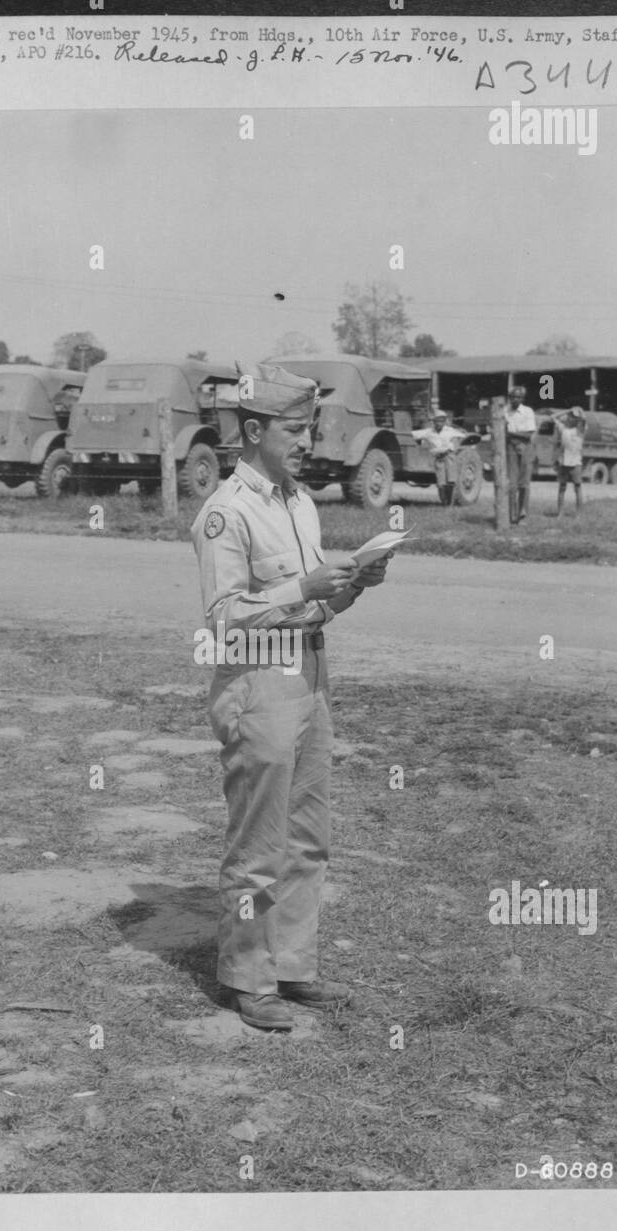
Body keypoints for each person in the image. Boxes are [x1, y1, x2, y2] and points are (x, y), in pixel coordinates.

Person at [190, 362, 391, 1031]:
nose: (306, 440)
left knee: (308, 835)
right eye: (293, 427)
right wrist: (303, 590)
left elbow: (313, 611)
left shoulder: (299, 502)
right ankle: (248, 978)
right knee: (259, 845)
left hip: (309, 674)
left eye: (309, 427)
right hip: (256, 684)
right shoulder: (226, 513)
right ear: (252, 429)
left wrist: (356, 582)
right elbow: (222, 622)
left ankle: (293, 965)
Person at [412, 408, 467, 506]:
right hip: (439, 458)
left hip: (449, 456)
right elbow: (414, 435)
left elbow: (463, 436)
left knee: (451, 481)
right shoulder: (428, 432)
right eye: (437, 421)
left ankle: (449, 504)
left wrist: (455, 443)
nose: (439, 423)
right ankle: (444, 503)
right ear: (433, 422)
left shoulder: (450, 431)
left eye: (441, 421)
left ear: (444, 422)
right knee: (441, 483)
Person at [503, 385, 538, 524]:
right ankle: (511, 515)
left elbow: (528, 434)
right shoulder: (504, 411)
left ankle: (522, 514)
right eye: (512, 396)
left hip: (526, 448)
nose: (515, 399)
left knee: (524, 484)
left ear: (522, 398)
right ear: (509, 397)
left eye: (518, 397)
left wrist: (510, 434)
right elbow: (500, 430)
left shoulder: (528, 411)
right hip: (511, 447)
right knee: (512, 484)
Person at [554, 407, 586, 516]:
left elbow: (584, 419)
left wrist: (580, 411)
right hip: (563, 462)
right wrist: (567, 410)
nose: (573, 419)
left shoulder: (580, 430)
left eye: (576, 418)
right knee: (562, 487)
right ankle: (560, 513)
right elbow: (552, 417)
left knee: (577, 488)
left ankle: (579, 514)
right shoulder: (563, 429)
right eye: (572, 417)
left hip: (576, 463)